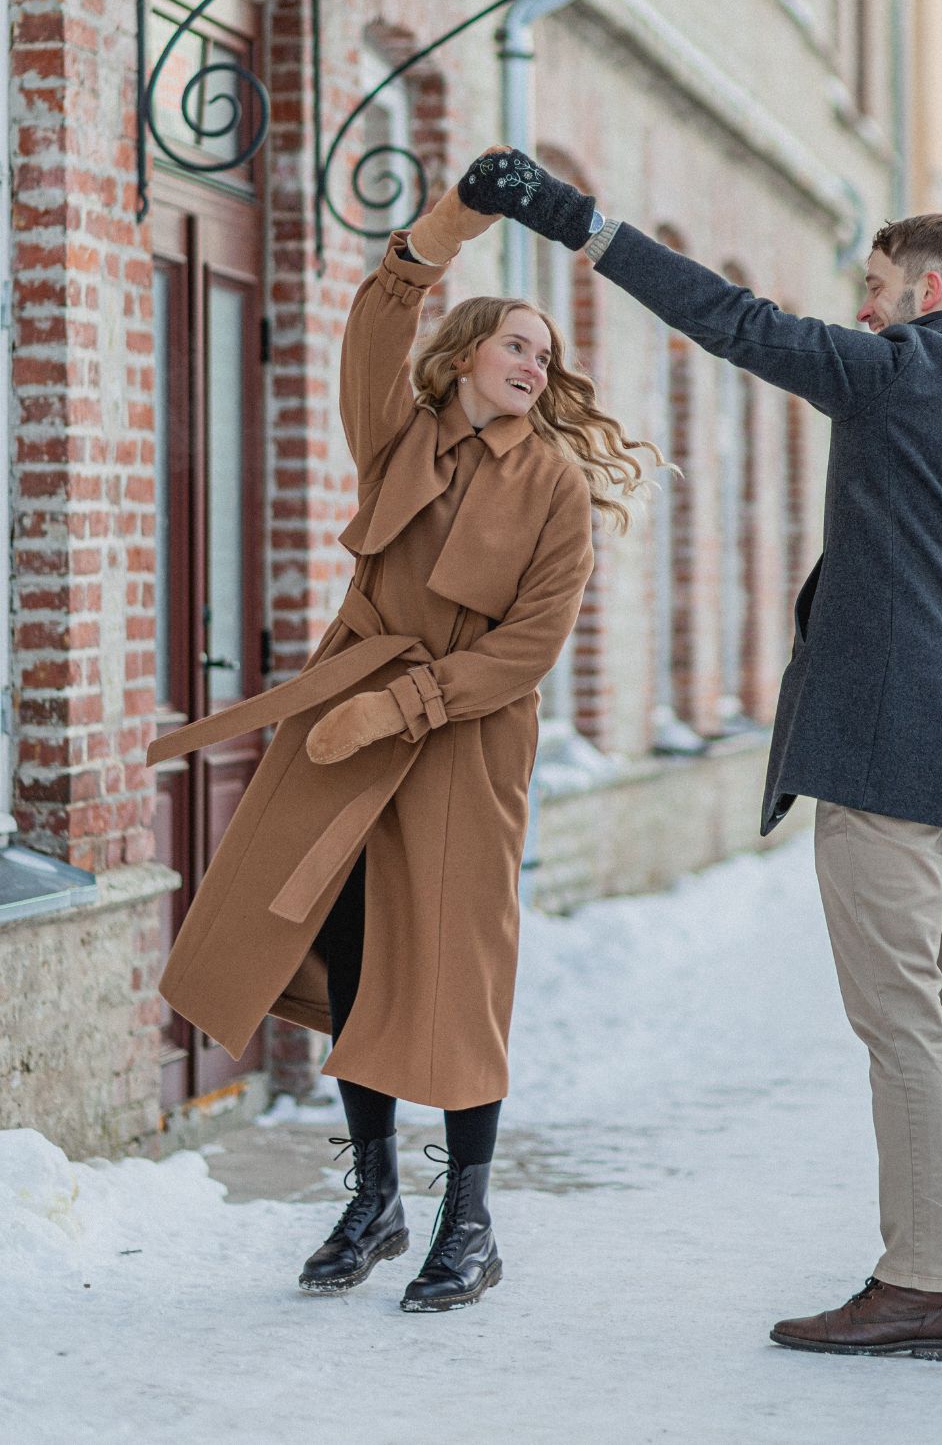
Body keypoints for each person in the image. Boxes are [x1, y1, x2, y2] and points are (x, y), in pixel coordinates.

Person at [462, 149, 942, 1363]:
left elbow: (731, 319)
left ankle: (914, 1286)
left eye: (876, 283)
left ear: (933, 292)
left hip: (887, 753)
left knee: (904, 1021)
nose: (861, 305)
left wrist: (582, 221)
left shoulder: (896, 375)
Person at [151, 183, 653, 1311]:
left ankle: (467, 1220)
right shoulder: (399, 440)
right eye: (517, 341)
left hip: (463, 750)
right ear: (468, 352)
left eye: (547, 351)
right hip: (343, 726)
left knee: (456, 975)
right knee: (352, 952)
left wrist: (408, 707)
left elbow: (526, 651)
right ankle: (374, 1195)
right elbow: (375, 325)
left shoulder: (556, 488)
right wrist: (443, 229)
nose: (535, 359)